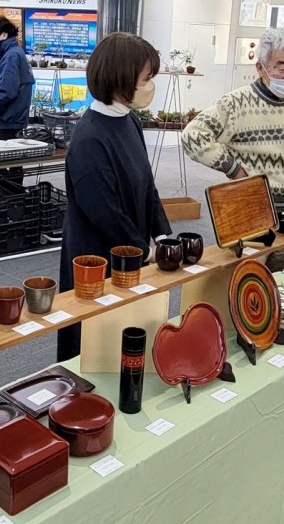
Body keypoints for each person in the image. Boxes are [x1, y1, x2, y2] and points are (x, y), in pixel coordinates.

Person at [57, 32, 172, 360]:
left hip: (130, 250)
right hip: (96, 257)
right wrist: (141, 248)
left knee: (130, 336)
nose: (150, 85)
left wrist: (161, 233)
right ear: (120, 79)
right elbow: (102, 211)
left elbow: (147, 185)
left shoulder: (129, 121)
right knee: (93, 345)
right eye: (146, 77)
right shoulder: (90, 137)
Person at [181, 27, 284, 271]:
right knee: (247, 288)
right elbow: (193, 136)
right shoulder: (235, 103)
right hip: (251, 214)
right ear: (261, 68)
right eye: (282, 65)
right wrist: (234, 170)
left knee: (280, 286)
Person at [0, 16, 33, 140]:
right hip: (14, 122)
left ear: (3, 35)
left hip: (6, 124)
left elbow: (6, 90)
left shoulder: (11, 57)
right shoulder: (17, 53)